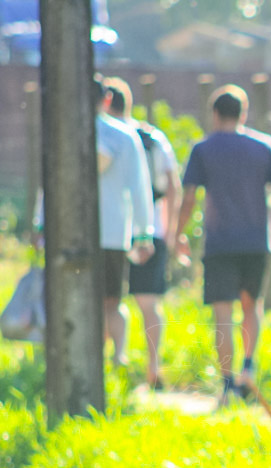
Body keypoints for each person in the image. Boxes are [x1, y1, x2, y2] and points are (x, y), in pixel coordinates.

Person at [174, 84, 271, 406]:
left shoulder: (203, 149)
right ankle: (249, 366)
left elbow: (189, 198)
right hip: (258, 241)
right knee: (251, 306)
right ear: (243, 113)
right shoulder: (264, 146)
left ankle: (228, 384)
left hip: (219, 243)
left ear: (215, 114)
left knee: (222, 314)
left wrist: (177, 233)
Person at [103, 77, 182, 390]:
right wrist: (172, 231)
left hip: (110, 231)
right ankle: (153, 368)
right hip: (153, 230)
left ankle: (112, 362)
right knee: (149, 303)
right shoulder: (153, 138)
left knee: (109, 301)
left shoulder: (100, 134)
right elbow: (172, 185)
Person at [94, 76, 155, 367]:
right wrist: (144, 233)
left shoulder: (66, 133)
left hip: (73, 234)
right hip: (115, 231)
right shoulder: (124, 135)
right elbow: (140, 187)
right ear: (106, 99)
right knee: (112, 301)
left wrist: (41, 224)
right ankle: (118, 357)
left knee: (80, 299)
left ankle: (91, 358)